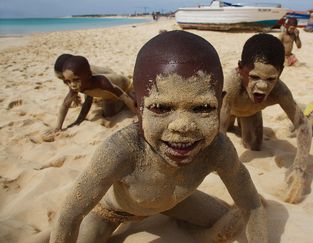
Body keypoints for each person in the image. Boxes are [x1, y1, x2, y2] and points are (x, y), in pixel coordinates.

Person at [48, 30, 267, 243]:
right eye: (161, 107)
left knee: (229, 218)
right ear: (139, 108)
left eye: (202, 108)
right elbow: (69, 214)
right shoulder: (121, 150)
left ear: (219, 103)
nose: (183, 126)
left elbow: (252, 206)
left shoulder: (217, 148)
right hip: (115, 211)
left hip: (175, 202)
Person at [220, 33, 312, 204]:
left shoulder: (279, 91)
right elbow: (219, 133)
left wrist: (299, 167)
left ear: (281, 72)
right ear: (241, 69)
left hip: (250, 112)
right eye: (254, 77)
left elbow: (302, 124)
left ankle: (241, 124)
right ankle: (236, 123)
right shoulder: (230, 85)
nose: (262, 86)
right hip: (227, 109)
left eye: (270, 79)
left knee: (254, 146)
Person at [47, 54, 136, 136]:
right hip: (108, 91)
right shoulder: (75, 77)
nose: (66, 83)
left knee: (127, 100)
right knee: (109, 113)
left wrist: (79, 120)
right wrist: (58, 127)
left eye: (62, 78)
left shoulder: (90, 79)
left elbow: (88, 101)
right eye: (65, 80)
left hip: (120, 85)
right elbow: (65, 104)